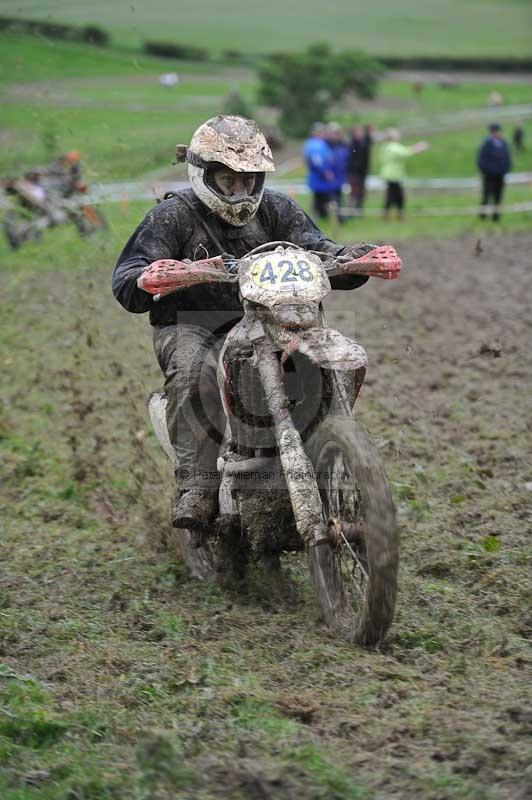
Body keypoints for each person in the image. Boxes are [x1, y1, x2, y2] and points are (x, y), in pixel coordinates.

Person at [113, 115, 394, 531]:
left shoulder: (277, 209)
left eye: (250, 181)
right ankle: (198, 484)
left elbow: (322, 250)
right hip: (194, 325)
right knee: (196, 372)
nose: (241, 192)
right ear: (203, 175)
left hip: (272, 320)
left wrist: (360, 259)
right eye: (229, 181)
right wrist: (150, 275)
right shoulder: (174, 216)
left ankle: (332, 444)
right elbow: (126, 277)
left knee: (323, 357)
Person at [379, 129, 429, 221]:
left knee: (395, 197)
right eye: (396, 135)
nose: (399, 136)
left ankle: (392, 215)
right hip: (393, 175)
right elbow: (407, 152)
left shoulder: (386, 146)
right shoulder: (394, 147)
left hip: (390, 175)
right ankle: (393, 216)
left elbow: (405, 151)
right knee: (395, 197)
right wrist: (420, 147)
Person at [477, 123, 512, 222]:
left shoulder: (503, 143)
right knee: (486, 195)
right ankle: (482, 216)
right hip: (489, 176)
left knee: (498, 196)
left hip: (500, 175)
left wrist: (505, 170)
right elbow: (481, 160)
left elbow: (507, 158)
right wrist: (487, 171)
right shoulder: (486, 144)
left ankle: (496, 217)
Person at [302, 122, 335, 220]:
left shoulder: (318, 143)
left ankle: (322, 217)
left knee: (322, 198)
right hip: (319, 177)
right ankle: (318, 217)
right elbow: (316, 161)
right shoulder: (314, 144)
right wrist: (325, 172)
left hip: (320, 177)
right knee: (320, 198)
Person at [325, 122, 349, 222]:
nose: (335, 135)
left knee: (338, 198)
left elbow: (346, 160)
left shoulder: (343, 146)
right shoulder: (325, 146)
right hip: (327, 177)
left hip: (340, 177)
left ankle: (339, 218)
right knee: (328, 198)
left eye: (337, 133)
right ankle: (327, 217)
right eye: (333, 133)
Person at [347, 124, 373, 214]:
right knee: (354, 193)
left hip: (361, 173)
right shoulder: (352, 144)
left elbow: (368, 143)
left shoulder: (362, 143)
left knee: (361, 193)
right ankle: (351, 211)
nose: (359, 134)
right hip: (354, 173)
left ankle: (358, 210)